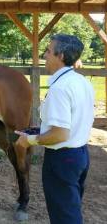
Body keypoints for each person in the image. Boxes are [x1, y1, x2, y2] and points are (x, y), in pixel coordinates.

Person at [15, 34, 94, 224]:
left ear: (61, 56)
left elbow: (60, 134)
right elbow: (72, 122)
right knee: (70, 209)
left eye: (48, 51)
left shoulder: (60, 88)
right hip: (80, 155)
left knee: (65, 217)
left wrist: (30, 140)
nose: (44, 55)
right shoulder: (82, 82)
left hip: (62, 160)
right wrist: (41, 128)